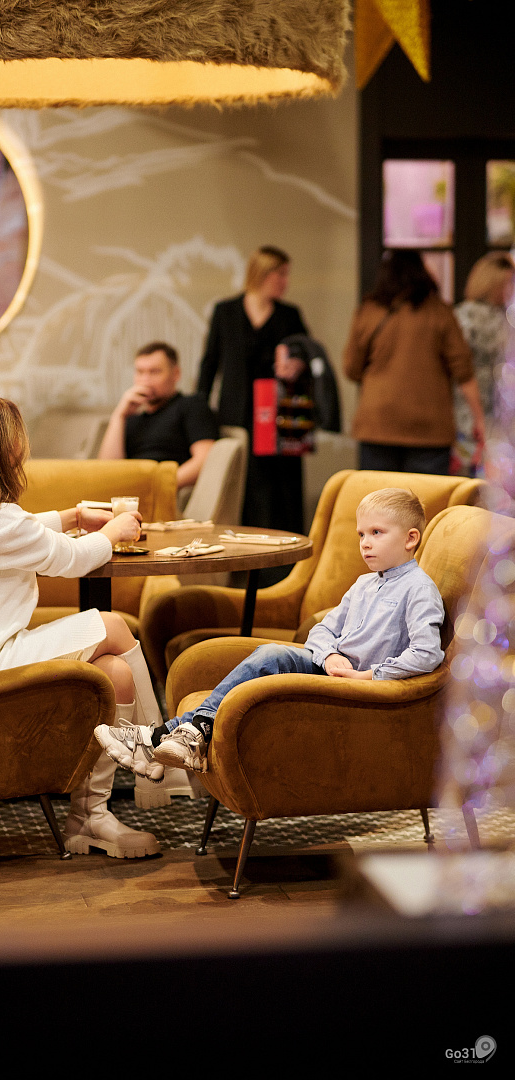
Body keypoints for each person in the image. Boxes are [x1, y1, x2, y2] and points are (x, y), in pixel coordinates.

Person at [0, 396, 165, 860]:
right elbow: (73, 558)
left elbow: (16, 530)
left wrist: (72, 517)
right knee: (112, 625)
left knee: (116, 673)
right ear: (2, 451)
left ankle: (90, 817)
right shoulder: (0, 522)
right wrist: (113, 532)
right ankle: (160, 754)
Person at [94, 488, 445, 775]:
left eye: (376, 533)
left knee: (271, 655)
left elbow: (427, 654)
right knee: (269, 657)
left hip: (360, 689)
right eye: (361, 534)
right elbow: (323, 630)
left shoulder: (418, 589)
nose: (365, 543)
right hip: (330, 669)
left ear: (411, 539)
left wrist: (369, 676)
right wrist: (330, 654)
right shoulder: (364, 584)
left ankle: (166, 735)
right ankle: (179, 734)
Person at [196, 245, 309, 531]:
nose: (285, 282)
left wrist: (296, 365)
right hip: (238, 415)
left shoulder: (290, 315)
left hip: (280, 418)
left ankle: (286, 548)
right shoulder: (226, 312)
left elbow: (307, 358)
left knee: (282, 490)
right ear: (262, 274)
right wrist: (200, 410)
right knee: (241, 485)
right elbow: (209, 364)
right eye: (280, 274)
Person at [343, 249, 485, 475]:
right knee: (426, 495)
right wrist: (479, 418)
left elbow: (351, 368)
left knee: (380, 495)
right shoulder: (440, 312)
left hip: (377, 423)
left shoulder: (369, 311)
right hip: (430, 429)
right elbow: (464, 371)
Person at [98, 341, 218, 490]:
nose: (145, 380)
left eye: (154, 372)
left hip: (164, 489)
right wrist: (119, 416)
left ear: (176, 374)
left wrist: (159, 487)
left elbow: (205, 459)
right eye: (140, 372)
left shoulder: (191, 405)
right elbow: (107, 471)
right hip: (128, 491)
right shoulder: (131, 419)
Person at [452, 251, 515, 476]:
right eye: (508, 283)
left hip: (501, 415)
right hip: (467, 414)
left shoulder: (508, 317)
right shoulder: (464, 317)